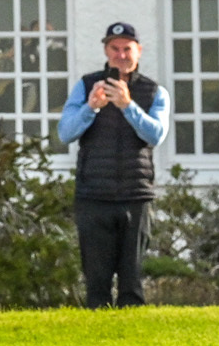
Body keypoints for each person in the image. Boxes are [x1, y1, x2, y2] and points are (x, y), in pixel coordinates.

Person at [57, 22, 170, 309]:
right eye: (114, 49)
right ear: (106, 51)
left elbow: (156, 135)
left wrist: (128, 106)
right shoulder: (85, 86)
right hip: (93, 195)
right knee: (97, 282)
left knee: (131, 280)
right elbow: (65, 132)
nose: (121, 55)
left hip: (135, 195)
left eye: (127, 49)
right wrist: (91, 107)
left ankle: (131, 340)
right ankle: (96, 341)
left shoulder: (155, 92)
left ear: (139, 52)